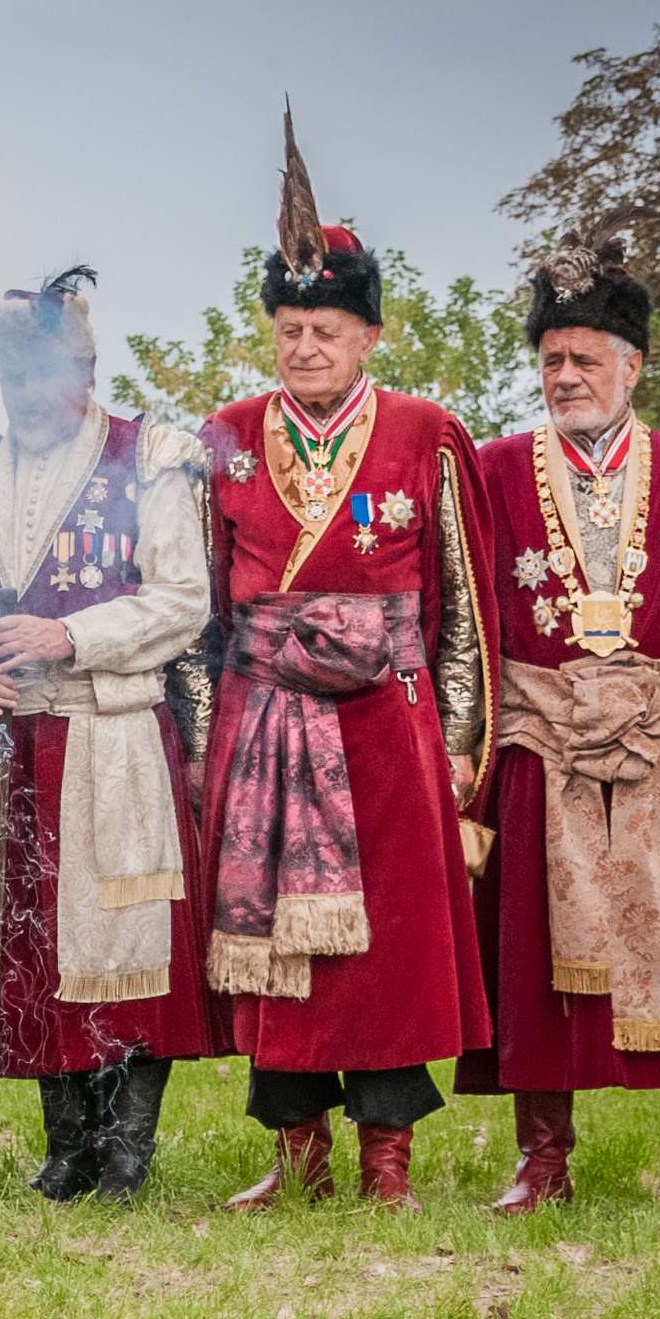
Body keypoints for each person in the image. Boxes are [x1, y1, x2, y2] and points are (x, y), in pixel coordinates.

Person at [199, 114, 501, 1210]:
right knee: (277, 951)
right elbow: (201, 612)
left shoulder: (428, 434)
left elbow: (463, 606)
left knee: (388, 957)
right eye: (290, 329)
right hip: (263, 718)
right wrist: (204, 743)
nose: (307, 347)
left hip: (389, 726)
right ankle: (297, 1158)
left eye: (327, 328)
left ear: (369, 336)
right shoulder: (225, 436)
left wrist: (460, 742)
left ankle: (388, 1166)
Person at [456, 217, 660, 1210]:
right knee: (540, 963)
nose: (565, 375)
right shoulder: (495, 468)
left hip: (655, 746)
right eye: (551, 359)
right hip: (541, 743)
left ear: (631, 366)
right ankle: (541, 1159)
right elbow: (471, 622)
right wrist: (473, 760)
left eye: (585, 358)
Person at [0, 269, 218, 1200]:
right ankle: (65, 1148)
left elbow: (182, 600)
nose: (26, 398)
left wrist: (69, 635)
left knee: (118, 937)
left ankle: (124, 1155)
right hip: (10, 746)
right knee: (31, 945)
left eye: (41, 378)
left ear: (84, 366)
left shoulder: (147, 459)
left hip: (109, 736)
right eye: (11, 382)